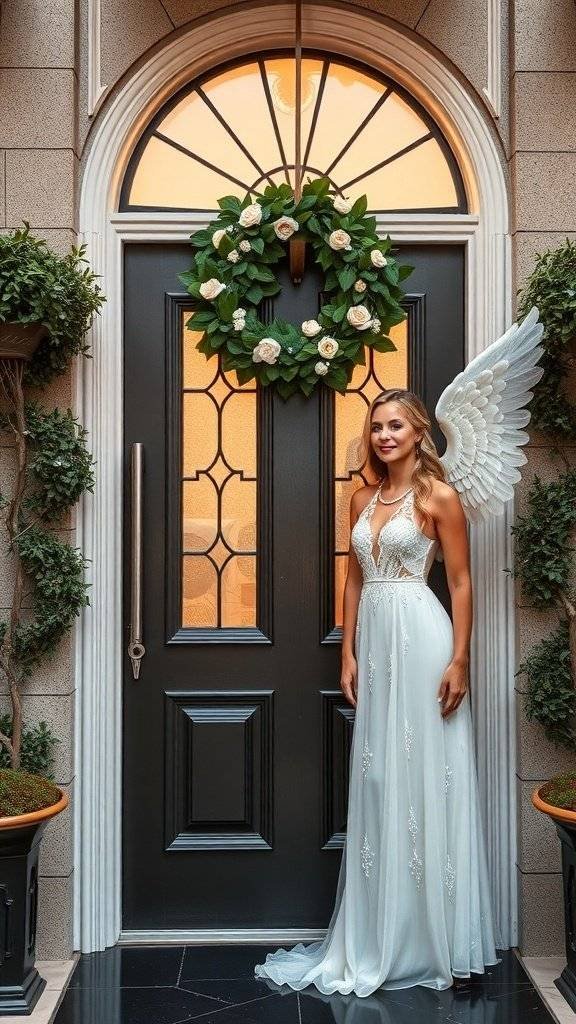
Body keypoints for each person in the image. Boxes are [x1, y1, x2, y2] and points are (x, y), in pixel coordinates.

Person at [255, 307, 544, 996]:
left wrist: (461, 660)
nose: (385, 435)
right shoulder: (360, 494)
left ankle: (435, 937)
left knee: (428, 774)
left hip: (423, 634)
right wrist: (346, 651)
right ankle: (379, 930)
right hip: (377, 642)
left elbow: (464, 581)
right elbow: (352, 576)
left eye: (396, 425)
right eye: (377, 426)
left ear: (419, 432)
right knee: (382, 779)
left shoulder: (438, 495)